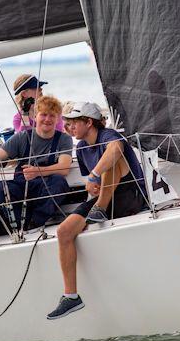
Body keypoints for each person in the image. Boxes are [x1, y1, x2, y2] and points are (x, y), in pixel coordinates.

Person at [47, 102, 148, 320]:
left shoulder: (107, 135)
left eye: (73, 123)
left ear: (88, 122)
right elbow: (94, 181)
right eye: (67, 124)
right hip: (104, 195)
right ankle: (71, 296)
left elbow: (116, 150)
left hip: (128, 196)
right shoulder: (82, 148)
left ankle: (100, 209)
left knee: (111, 157)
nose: (68, 128)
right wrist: (93, 182)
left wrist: (94, 175)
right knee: (64, 232)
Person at [0, 95, 72, 231]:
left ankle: (35, 221)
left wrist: (37, 171)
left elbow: (64, 167)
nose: (47, 119)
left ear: (58, 118)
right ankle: (17, 224)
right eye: (44, 115)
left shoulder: (64, 139)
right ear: (35, 116)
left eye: (52, 116)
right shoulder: (22, 137)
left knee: (59, 183)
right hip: (22, 183)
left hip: (45, 184)